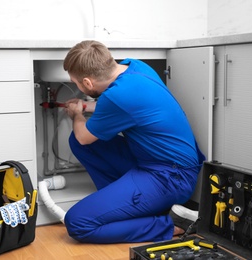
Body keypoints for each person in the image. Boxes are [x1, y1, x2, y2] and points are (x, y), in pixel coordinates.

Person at [62, 40, 205, 244]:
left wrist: (77, 115)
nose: (77, 86)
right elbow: (121, 107)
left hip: (170, 177)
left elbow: (84, 136)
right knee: (79, 142)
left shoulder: (116, 96)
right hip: (159, 163)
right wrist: (85, 106)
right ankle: (124, 208)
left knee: (77, 222)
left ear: (87, 83)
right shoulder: (135, 67)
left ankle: (172, 225)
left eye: (75, 83)